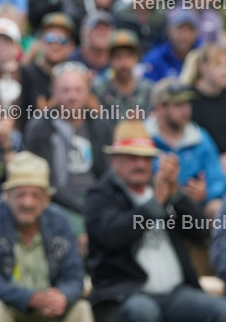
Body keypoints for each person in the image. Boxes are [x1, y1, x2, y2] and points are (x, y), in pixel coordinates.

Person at [86, 120, 226, 322]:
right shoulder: (100, 195)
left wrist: (175, 194)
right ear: (113, 160)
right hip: (124, 295)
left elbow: (200, 229)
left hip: (174, 294)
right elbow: (113, 236)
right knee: (144, 311)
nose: (140, 164)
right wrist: (155, 205)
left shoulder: (160, 189)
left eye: (146, 158)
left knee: (221, 310)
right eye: (131, 157)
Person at [0, 151, 94, 322]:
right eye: (21, 195)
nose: (28, 203)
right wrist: (31, 298)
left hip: (49, 312)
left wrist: (62, 296)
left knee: (81, 308)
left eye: (36, 195)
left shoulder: (59, 220)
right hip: (9, 308)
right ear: (7, 195)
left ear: (47, 199)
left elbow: (75, 275)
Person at [24, 61, 114, 234]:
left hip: (96, 197)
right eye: (65, 90)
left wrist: (98, 202)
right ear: (54, 92)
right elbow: (47, 182)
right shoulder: (40, 128)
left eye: (78, 90)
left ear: (88, 92)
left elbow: (108, 172)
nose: (72, 96)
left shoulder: (100, 126)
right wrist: (83, 208)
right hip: (58, 200)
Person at [145, 80, 225, 220]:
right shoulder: (143, 136)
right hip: (152, 207)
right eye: (178, 105)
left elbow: (217, 179)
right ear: (160, 108)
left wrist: (205, 192)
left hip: (195, 213)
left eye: (187, 104)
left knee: (217, 208)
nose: (185, 110)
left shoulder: (200, 137)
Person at [92, 29, 154, 115]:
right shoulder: (99, 90)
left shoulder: (148, 90)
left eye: (129, 56)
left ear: (137, 58)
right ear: (110, 59)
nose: (123, 63)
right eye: (118, 56)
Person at [142, 8, 200, 82]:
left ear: (197, 33)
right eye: (180, 29)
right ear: (169, 30)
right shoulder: (155, 59)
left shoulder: (202, 58)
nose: (185, 35)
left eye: (189, 30)